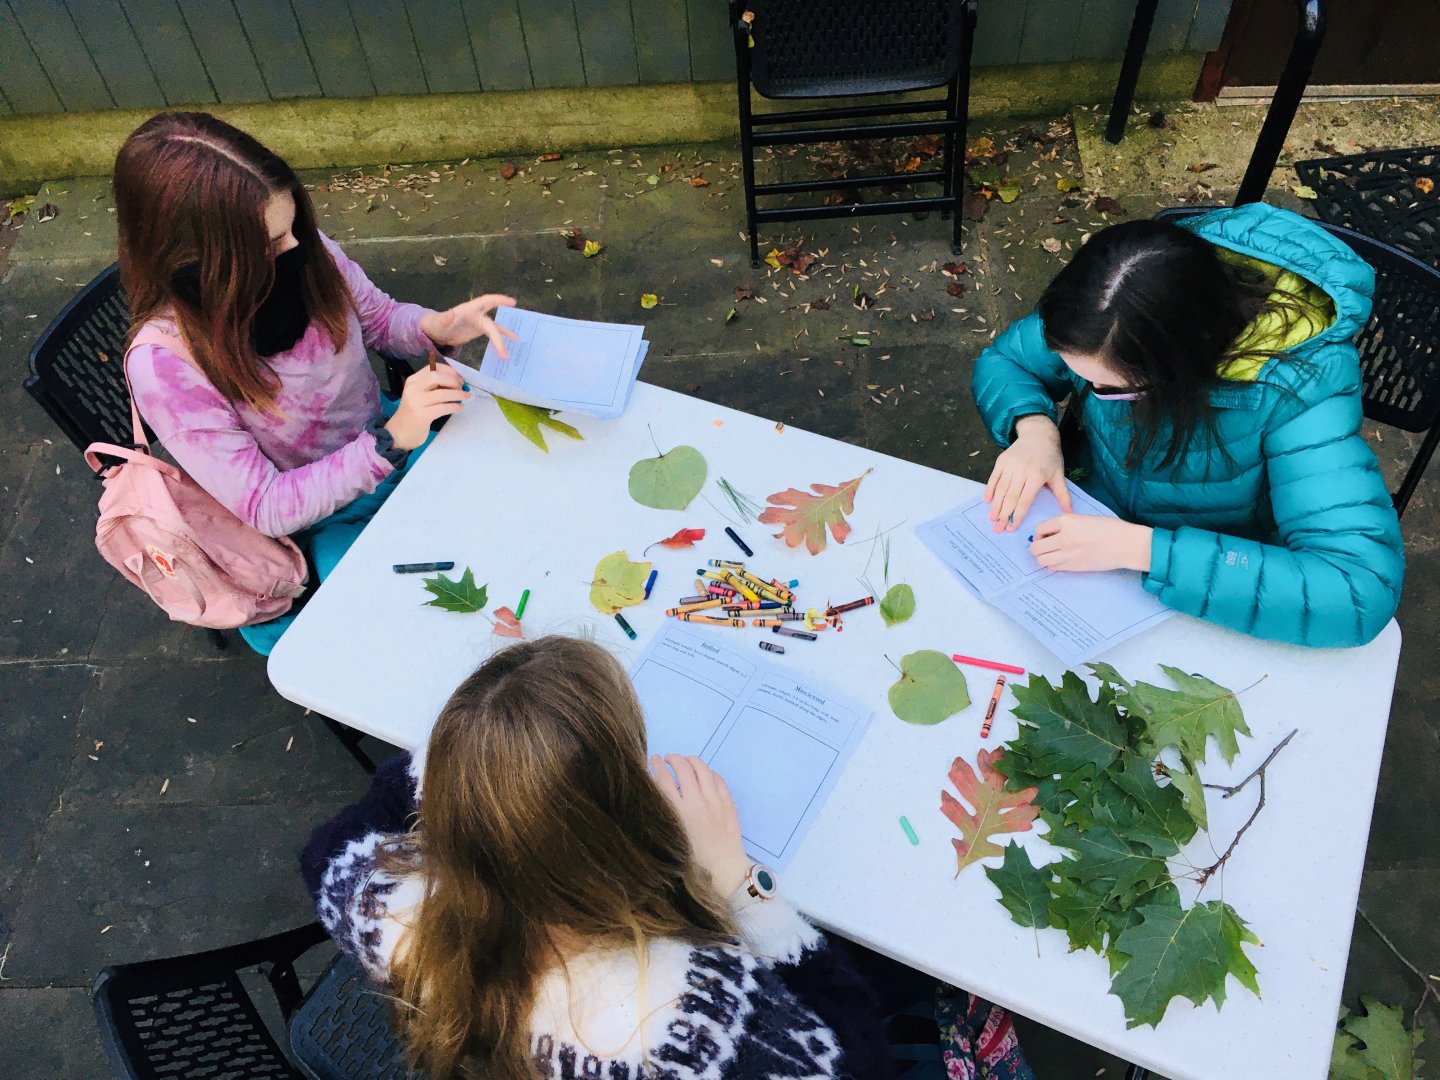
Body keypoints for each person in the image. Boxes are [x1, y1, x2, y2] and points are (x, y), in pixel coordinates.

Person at [300, 635, 895, 1079]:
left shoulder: (386, 904)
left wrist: (489, 742)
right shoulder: (688, 1016)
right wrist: (740, 882)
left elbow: (329, 848)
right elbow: (854, 1052)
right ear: (615, 828)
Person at [112, 111, 517, 653]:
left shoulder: (299, 246)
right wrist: (390, 439)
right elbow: (264, 505)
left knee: (513, 522)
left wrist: (437, 328)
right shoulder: (167, 365)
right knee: (427, 631)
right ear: (199, 260)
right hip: (315, 522)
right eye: (268, 244)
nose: (294, 250)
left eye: (291, 228)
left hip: (393, 447)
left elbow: (377, 319)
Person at [971, 203, 1404, 648]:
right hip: (1087, 524)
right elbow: (1008, 360)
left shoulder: (1301, 390)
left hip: (1211, 568)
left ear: (1182, 364)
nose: (1087, 391)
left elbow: (1358, 592)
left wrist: (1145, 550)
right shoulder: (1105, 307)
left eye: (1109, 387)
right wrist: (1035, 429)